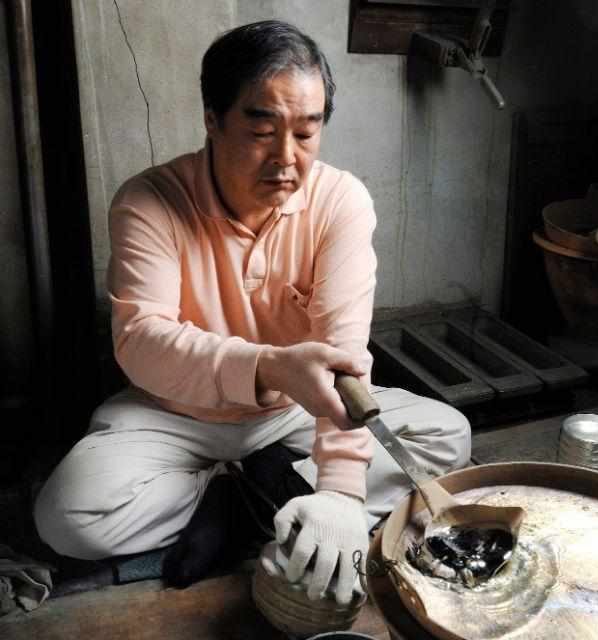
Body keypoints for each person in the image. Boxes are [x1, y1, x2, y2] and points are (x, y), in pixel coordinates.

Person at [34, 20, 470, 606]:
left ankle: (248, 505)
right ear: (212, 119)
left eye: (307, 133)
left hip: (292, 412)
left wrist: (341, 491)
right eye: (262, 128)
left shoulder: (340, 202)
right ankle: (257, 501)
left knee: (448, 436)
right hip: (176, 412)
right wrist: (268, 366)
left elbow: (343, 356)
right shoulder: (150, 201)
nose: (286, 159)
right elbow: (141, 342)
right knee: (69, 516)